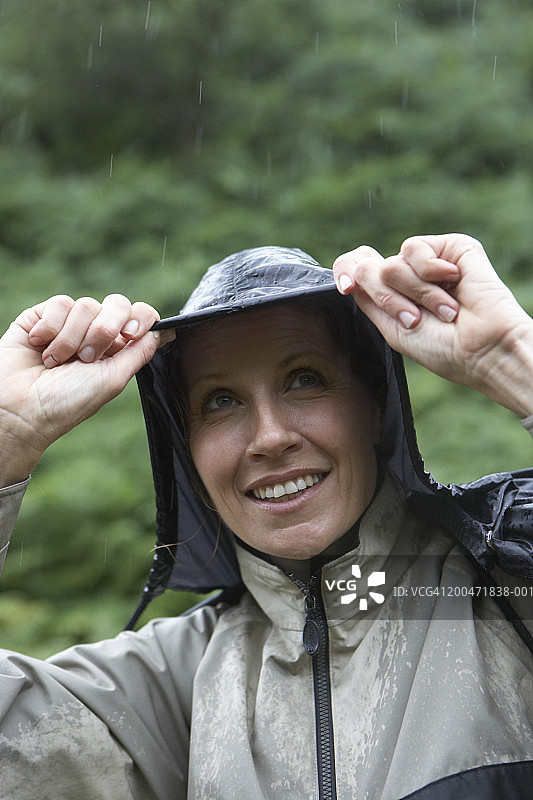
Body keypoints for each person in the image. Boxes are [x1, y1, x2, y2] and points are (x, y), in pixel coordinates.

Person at [0, 232, 533, 799]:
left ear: (375, 409)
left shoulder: (507, 594)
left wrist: (513, 358)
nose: (270, 437)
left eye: (306, 379)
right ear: (190, 450)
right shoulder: (172, 687)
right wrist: (8, 437)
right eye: (221, 401)